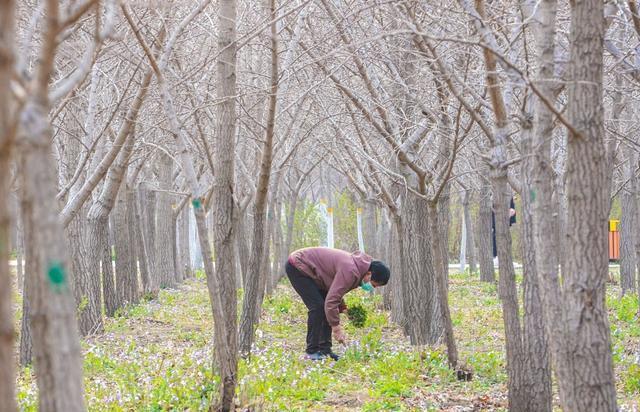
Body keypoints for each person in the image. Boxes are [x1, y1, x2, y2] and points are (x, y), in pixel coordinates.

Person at [285, 247, 390, 361]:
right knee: (318, 307)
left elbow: (335, 292)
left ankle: (325, 350)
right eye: (374, 284)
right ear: (369, 273)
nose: (372, 288)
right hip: (299, 265)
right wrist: (336, 328)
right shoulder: (351, 271)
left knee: (326, 306)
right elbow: (331, 301)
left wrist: (344, 309)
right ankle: (312, 351)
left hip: (316, 274)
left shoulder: (358, 271)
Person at [492, 196, 516, 265]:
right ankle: (496, 256)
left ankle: (506, 256)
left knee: (506, 237)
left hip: (506, 219)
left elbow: (512, 207)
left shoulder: (508, 193)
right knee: (495, 236)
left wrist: (512, 211)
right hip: (496, 218)